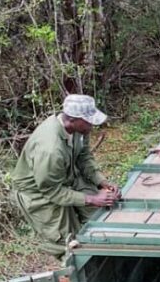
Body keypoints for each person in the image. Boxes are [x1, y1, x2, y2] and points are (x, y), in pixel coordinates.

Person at [10, 95, 120, 256]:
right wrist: (91, 199)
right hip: (40, 194)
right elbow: (51, 191)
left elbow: (83, 157)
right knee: (69, 243)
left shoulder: (79, 129)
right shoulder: (50, 149)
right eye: (89, 121)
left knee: (99, 215)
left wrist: (101, 181)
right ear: (73, 119)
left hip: (66, 179)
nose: (92, 125)